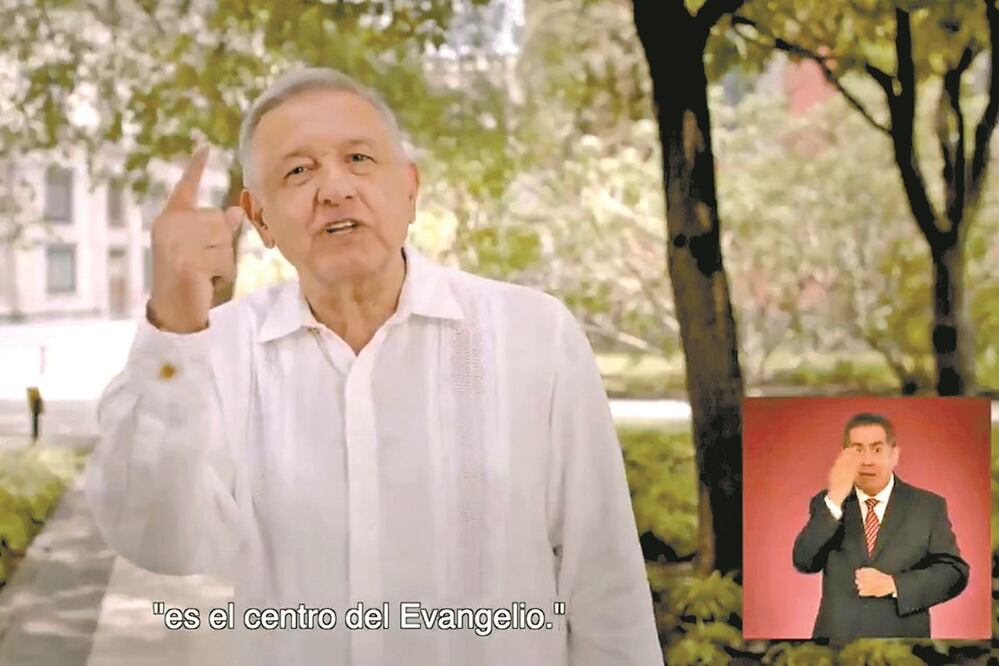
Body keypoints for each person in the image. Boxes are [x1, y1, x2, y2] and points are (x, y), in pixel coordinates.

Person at [84, 67, 663, 665]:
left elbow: (603, 579)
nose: (334, 188)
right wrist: (176, 328)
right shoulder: (219, 349)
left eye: (358, 158)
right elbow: (160, 541)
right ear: (259, 220)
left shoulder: (534, 335)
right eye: (298, 171)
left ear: (409, 189)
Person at [791, 412, 969, 643]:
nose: (867, 460)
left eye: (877, 449)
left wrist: (895, 585)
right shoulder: (826, 503)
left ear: (894, 455)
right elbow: (804, 561)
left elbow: (954, 572)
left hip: (904, 646)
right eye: (857, 450)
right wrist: (835, 496)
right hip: (836, 644)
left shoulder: (928, 506)